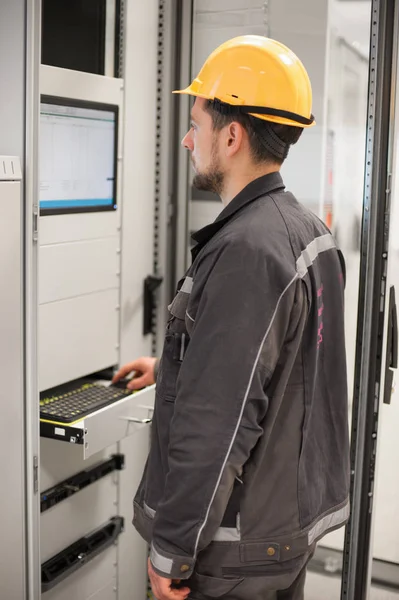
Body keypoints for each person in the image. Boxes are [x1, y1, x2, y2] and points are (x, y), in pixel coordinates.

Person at [113, 35, 350, 600]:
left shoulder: (246, 250)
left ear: (233, 135)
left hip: (230, 551)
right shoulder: (305, 233)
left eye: (196, 123)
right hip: (278, 532)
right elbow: (278, 370)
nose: (187, 139)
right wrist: (174, 366)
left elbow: (218, 421)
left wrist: (171, 551)